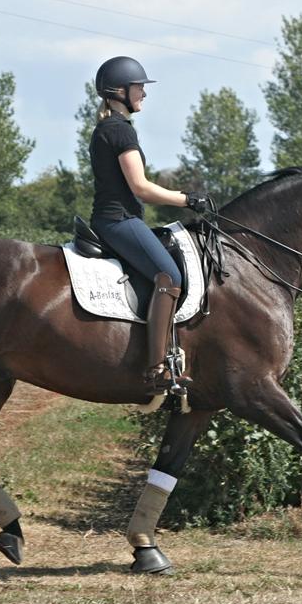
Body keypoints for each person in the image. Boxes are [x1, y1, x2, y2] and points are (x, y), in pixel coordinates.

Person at [88, 56, 208, 395]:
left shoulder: (112, 127)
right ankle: (157, 367)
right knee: (170, 278)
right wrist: (187, 200)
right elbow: (140, 187)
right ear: (120, 91)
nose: (144, 93)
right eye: (139, 87)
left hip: (117, 219)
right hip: (118, 221)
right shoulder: (119, 130)